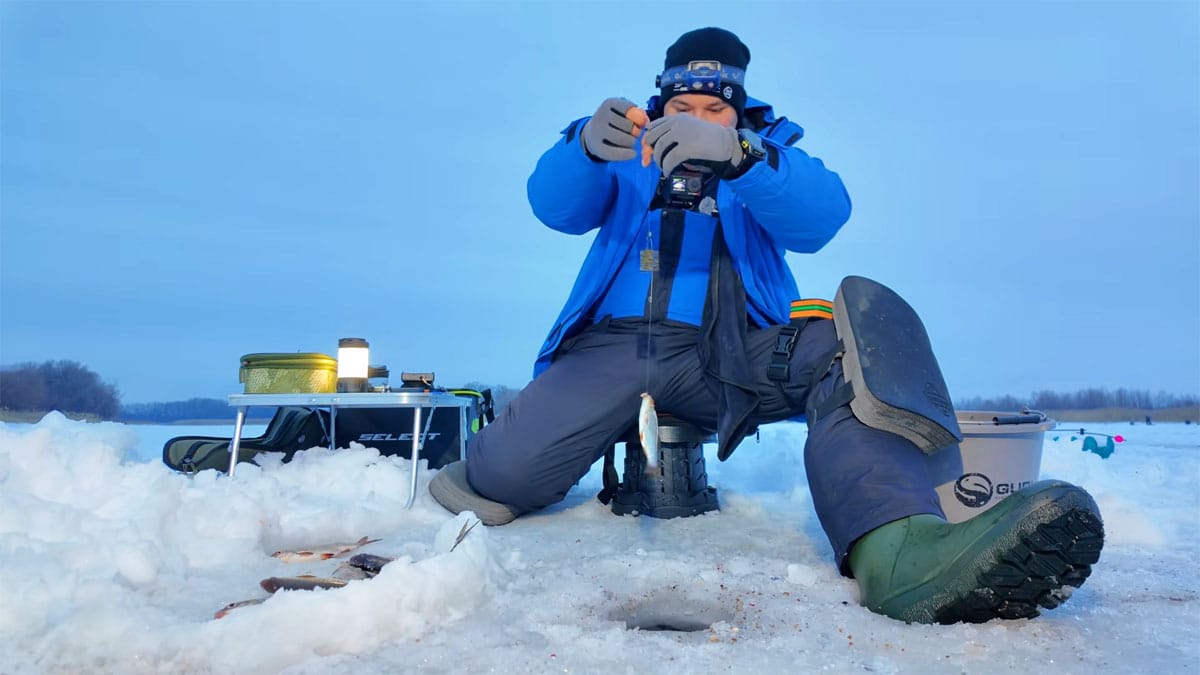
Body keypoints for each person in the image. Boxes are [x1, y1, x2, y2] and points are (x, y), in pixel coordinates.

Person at [431, 27, 1104, 624]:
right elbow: (553, 206)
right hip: (612, 346)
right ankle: (516, 436)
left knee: (848, 343)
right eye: (682, 108)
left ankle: (897, 550)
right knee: (501, 476)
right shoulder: (622, 150)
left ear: (736, 111)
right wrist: (581, 145)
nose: (694, 119)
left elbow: (823, 215)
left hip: (729, 351)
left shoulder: (763, 155)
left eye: (713, 109)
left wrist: (740, 156)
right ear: (659, 104)